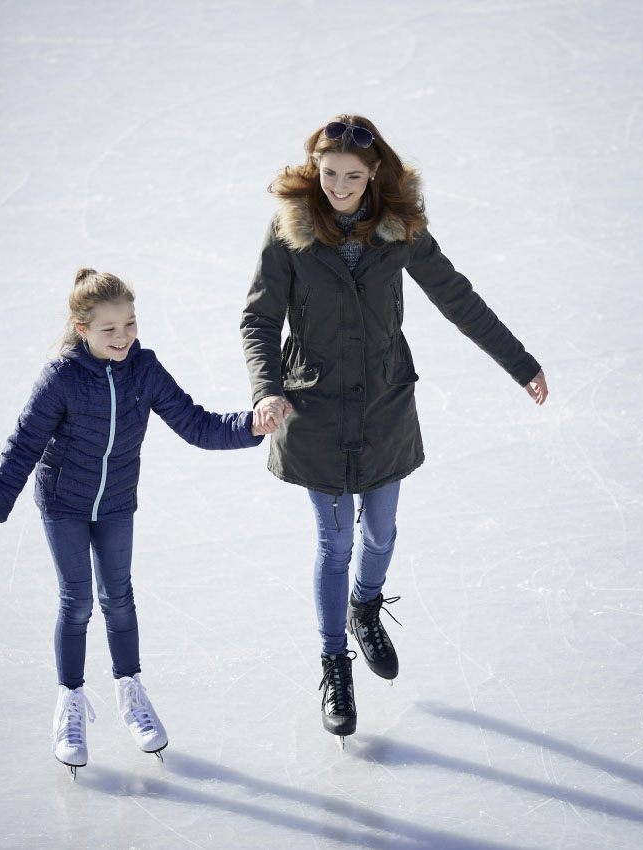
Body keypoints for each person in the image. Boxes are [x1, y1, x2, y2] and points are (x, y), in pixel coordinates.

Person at [241, 116, 548, 743]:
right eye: (329, 174)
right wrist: (266, 390)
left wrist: (521, 364)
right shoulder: (288, 232)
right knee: (334, 546)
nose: (339, 187)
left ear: (375, 172)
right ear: (314, 167)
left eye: (353, 176)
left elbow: (457, 298)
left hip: (383, 407)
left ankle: (365, 606)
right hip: (316, 412)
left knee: (379, 536)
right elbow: (258, 319)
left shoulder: (400, 230)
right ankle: (334, 663)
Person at [0, 268, 267, 778]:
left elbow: (196, 423)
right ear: (82, 329)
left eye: (129, 323)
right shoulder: (61, 378)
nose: (124, 336)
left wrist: (251, 425)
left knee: (120, 598)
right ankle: (71, 703)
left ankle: (130, 690)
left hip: (115, 505)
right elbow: (24, 445)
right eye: (110, 329)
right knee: (77, 601)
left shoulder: (144, 370)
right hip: (63, 504)